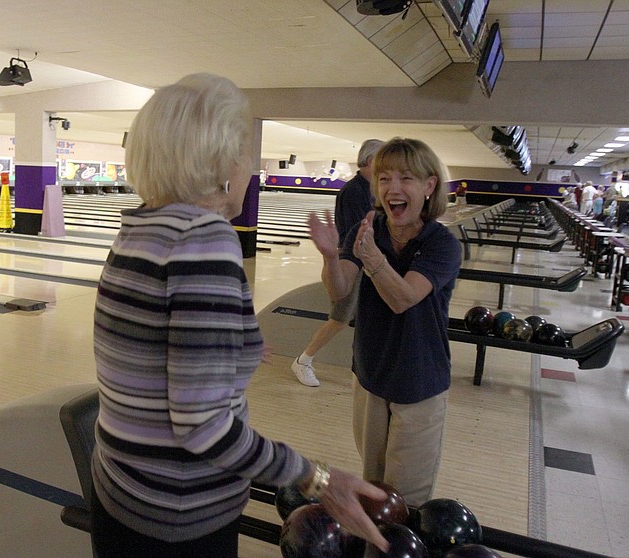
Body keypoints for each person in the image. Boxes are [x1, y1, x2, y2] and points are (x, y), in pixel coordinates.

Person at [90, 73, 389, 558]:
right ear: (224, 163)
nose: (251, 165)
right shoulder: (203, 240)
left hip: (123, 491)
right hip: (178, 515)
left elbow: (146, 348)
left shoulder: (139, 227)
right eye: (248, 151)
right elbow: (202, 428)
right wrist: (317, 479)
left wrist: (231, 346)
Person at [307, 137, 462, 507]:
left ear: (429, 186)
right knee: (373, 487)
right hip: (371, 376)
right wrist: (330, 258)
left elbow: (404, 298)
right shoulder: (368, 230)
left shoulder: (442, 243)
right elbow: (340, 289)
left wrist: (373, 259)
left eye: (406, 178)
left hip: (419, 382)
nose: (393, 188)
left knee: (404, 501)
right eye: (384, 178)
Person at [291, 139, 384, 387]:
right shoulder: (354, 190)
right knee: (341, 317)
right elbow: (355, 233)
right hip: (350, 260)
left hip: (367, 258)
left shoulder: (372, 187)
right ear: (370, 160)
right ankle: (303, 361)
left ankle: (363, 367)